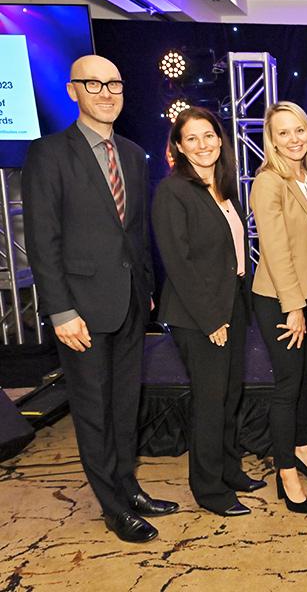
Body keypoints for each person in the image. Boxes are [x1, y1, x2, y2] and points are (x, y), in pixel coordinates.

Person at [22, 55, 178, 543]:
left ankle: (129, 487)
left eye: (115, 82)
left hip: (131, 303)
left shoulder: (132, 153)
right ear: (73, 91)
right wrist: (61, 311)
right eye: (95, 83)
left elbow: (134, 234)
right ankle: (113, 507)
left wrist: (147, 291)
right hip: (81, 310)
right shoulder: (48, 154)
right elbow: (42, 241)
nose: (107, 92)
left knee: (124, 405)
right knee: (93, 409)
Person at [152, 107, 266, 517]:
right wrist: (210, 319)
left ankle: (229, 470)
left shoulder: (222, 186)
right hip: (197, 313)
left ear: (220, 139)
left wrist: (232, 308)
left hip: (232, 302)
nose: (203, 145)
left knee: (230, 395)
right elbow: (178, 263)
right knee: (210, 401)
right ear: (179, 147)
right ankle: (209, 490)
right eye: (192, 139)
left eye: (209, 136)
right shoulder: (173, 192)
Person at [251, 101, 307, 513]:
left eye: (299, 130)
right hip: (282, 299)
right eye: (283, 132)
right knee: (287, 386)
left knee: (306, 381)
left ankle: (302, 450)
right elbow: (277, 249)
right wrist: (294, 307)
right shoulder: (269, 181)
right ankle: (285, 474)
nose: (293, 139)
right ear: (272, 139)